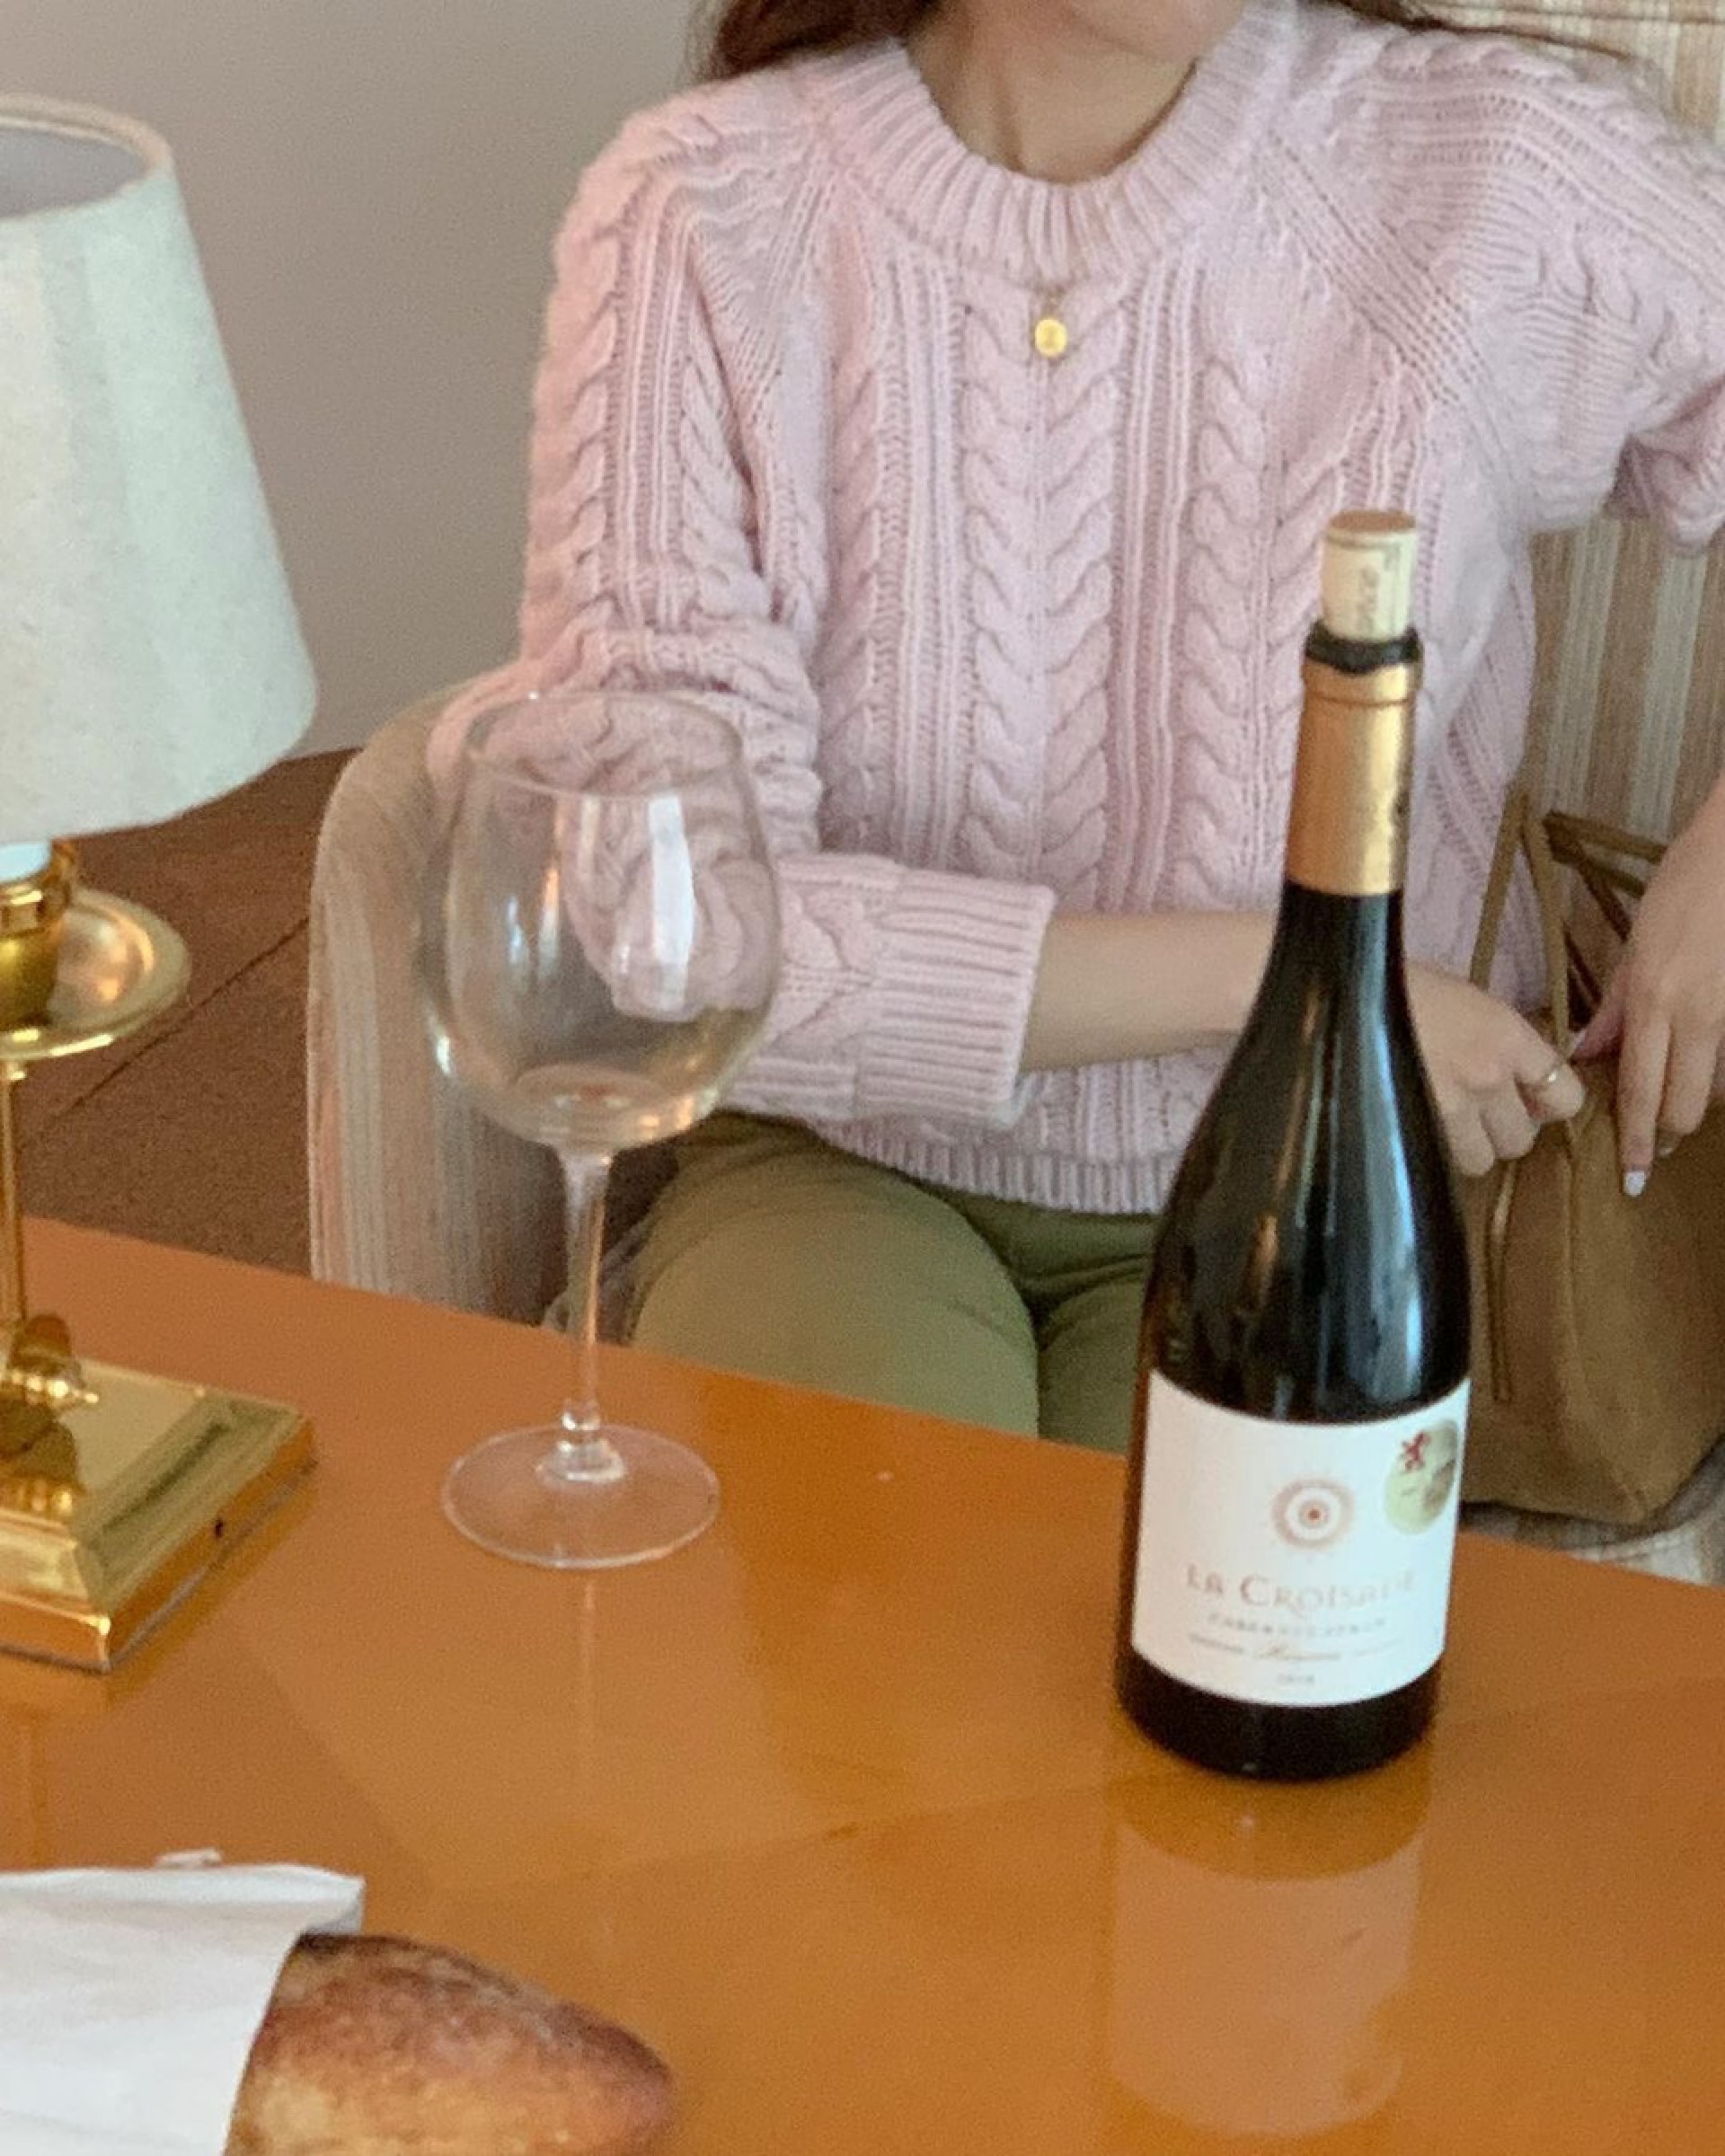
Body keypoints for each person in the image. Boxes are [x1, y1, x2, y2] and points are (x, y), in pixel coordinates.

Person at [434, 0, 1725, 1452]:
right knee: (872, 1577)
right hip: (836, 1166)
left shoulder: (1485, 168)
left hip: (1318, 1183)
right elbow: (678, 932)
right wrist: (1298, 986)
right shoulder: (703, 209)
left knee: (1204, 1588)